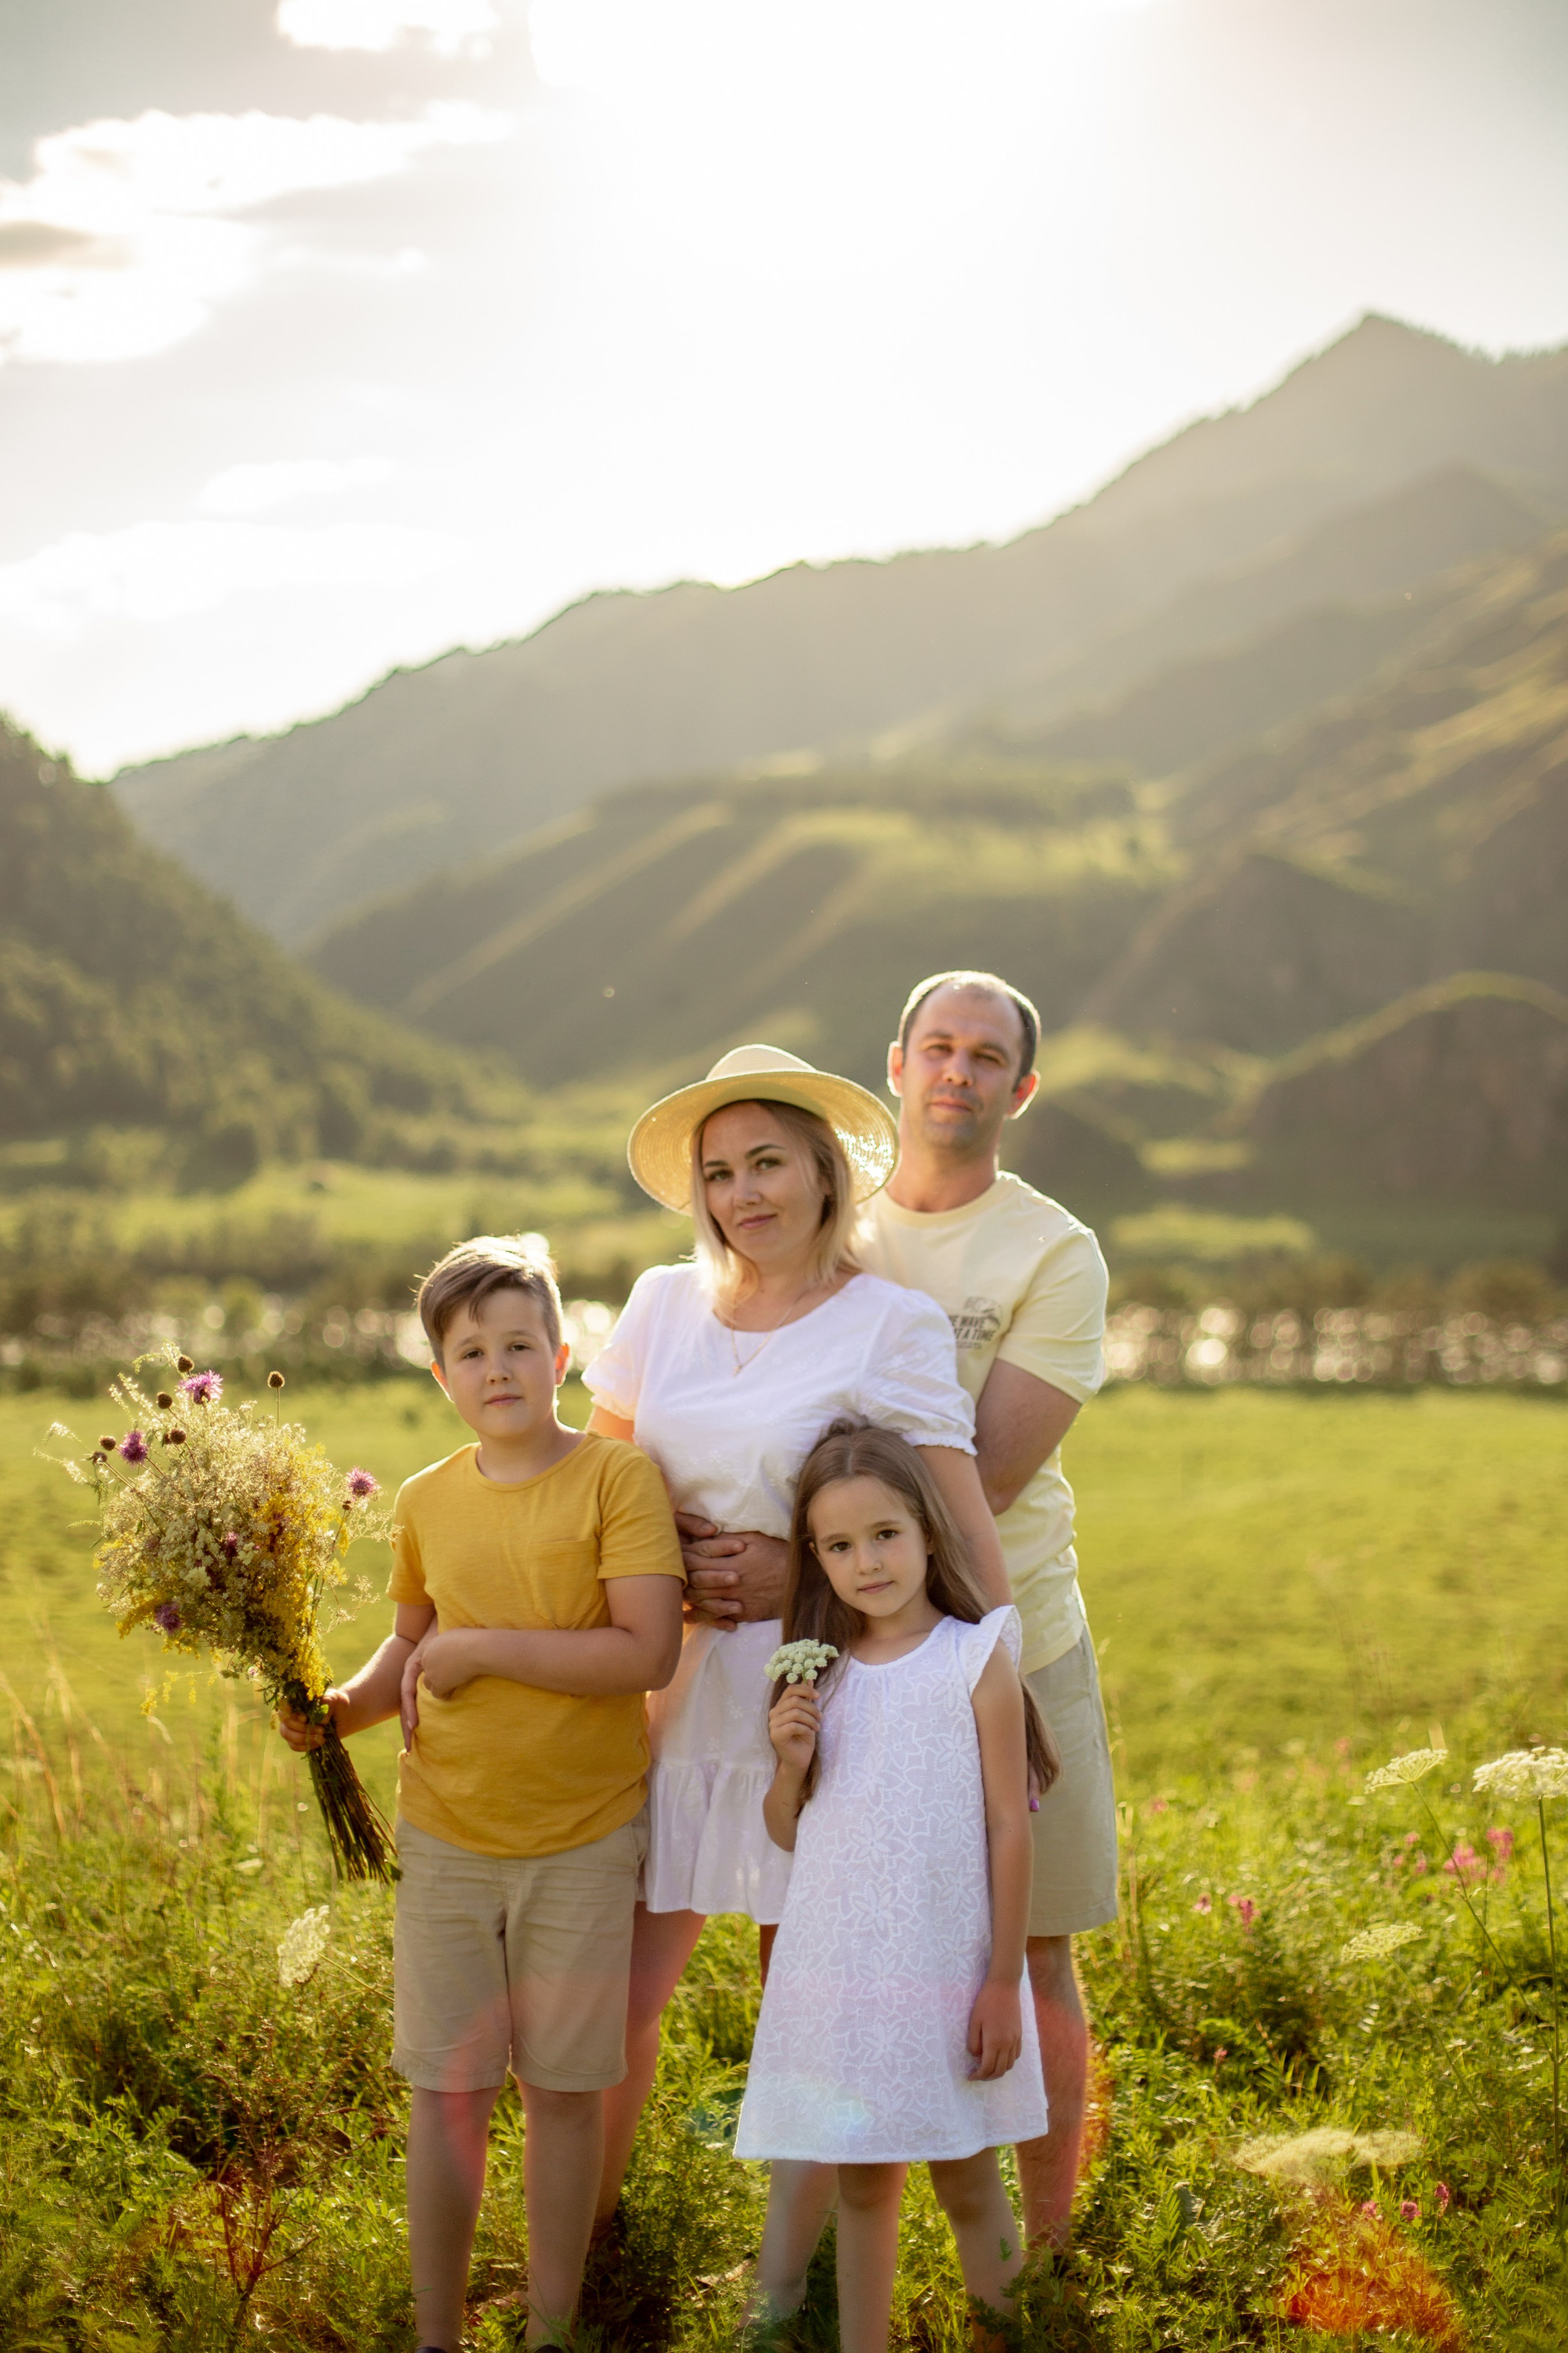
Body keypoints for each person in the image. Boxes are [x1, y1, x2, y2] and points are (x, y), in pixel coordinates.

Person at [682, 971, 1113, 2249]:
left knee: (1029, 1945)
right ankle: (815, 2260)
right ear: (893, 1064)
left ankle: (1035, 2258)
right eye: (936, 1046)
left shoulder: (1052, 1252)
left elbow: (976, 1468)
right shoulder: (830, 1215)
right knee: (811, 1934)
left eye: (986, 1056)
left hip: (1005, 1629)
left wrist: (782, 1566)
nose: (956, 1072)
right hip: (844, 1652)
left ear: (1017, 1089)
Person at [579, 1044, 1009, 2297]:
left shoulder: (891, 1323)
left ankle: (805, 2279)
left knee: (805, 1996)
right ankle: (592, 2245)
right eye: (717, 1172)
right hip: (673, 1690)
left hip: (822, 1702)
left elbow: (953, 1527)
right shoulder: (658, 1306)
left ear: (824, 1171)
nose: (741, 1193)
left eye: (765, 1160)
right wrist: (675, 1569)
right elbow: (593, 1493)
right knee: (617, 1992)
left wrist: (996, 1688)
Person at [279, 1235, 685, 2353]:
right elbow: (410, 1645)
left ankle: (553, 2326)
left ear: (563, 1355)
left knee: (561, 2092)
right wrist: (333, 1710)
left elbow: (646, 1652)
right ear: (440, 1375)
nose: (498, 1367)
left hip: (584, 1837)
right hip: (447, 1835)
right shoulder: (426, 1499)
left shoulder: (615, 1479)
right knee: (448, 2092)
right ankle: (436, 2333)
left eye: (519, 1344)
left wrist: (489, 1649)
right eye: (471, 1350)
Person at [736, 1420, 1053, 2353]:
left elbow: (1008, 1826)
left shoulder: (975, 1654)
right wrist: (789, 1763)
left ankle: (1011, 2334)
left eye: (884, 1534)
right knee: (865, 2178)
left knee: (965, 2173)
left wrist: (1002, 1980)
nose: (867, 1561)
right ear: (816, 1557)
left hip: (950, 1970)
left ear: (923, 1529)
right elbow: (789, 1833)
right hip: (845, 1974)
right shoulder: (816, 1676)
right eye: (839, 1545)